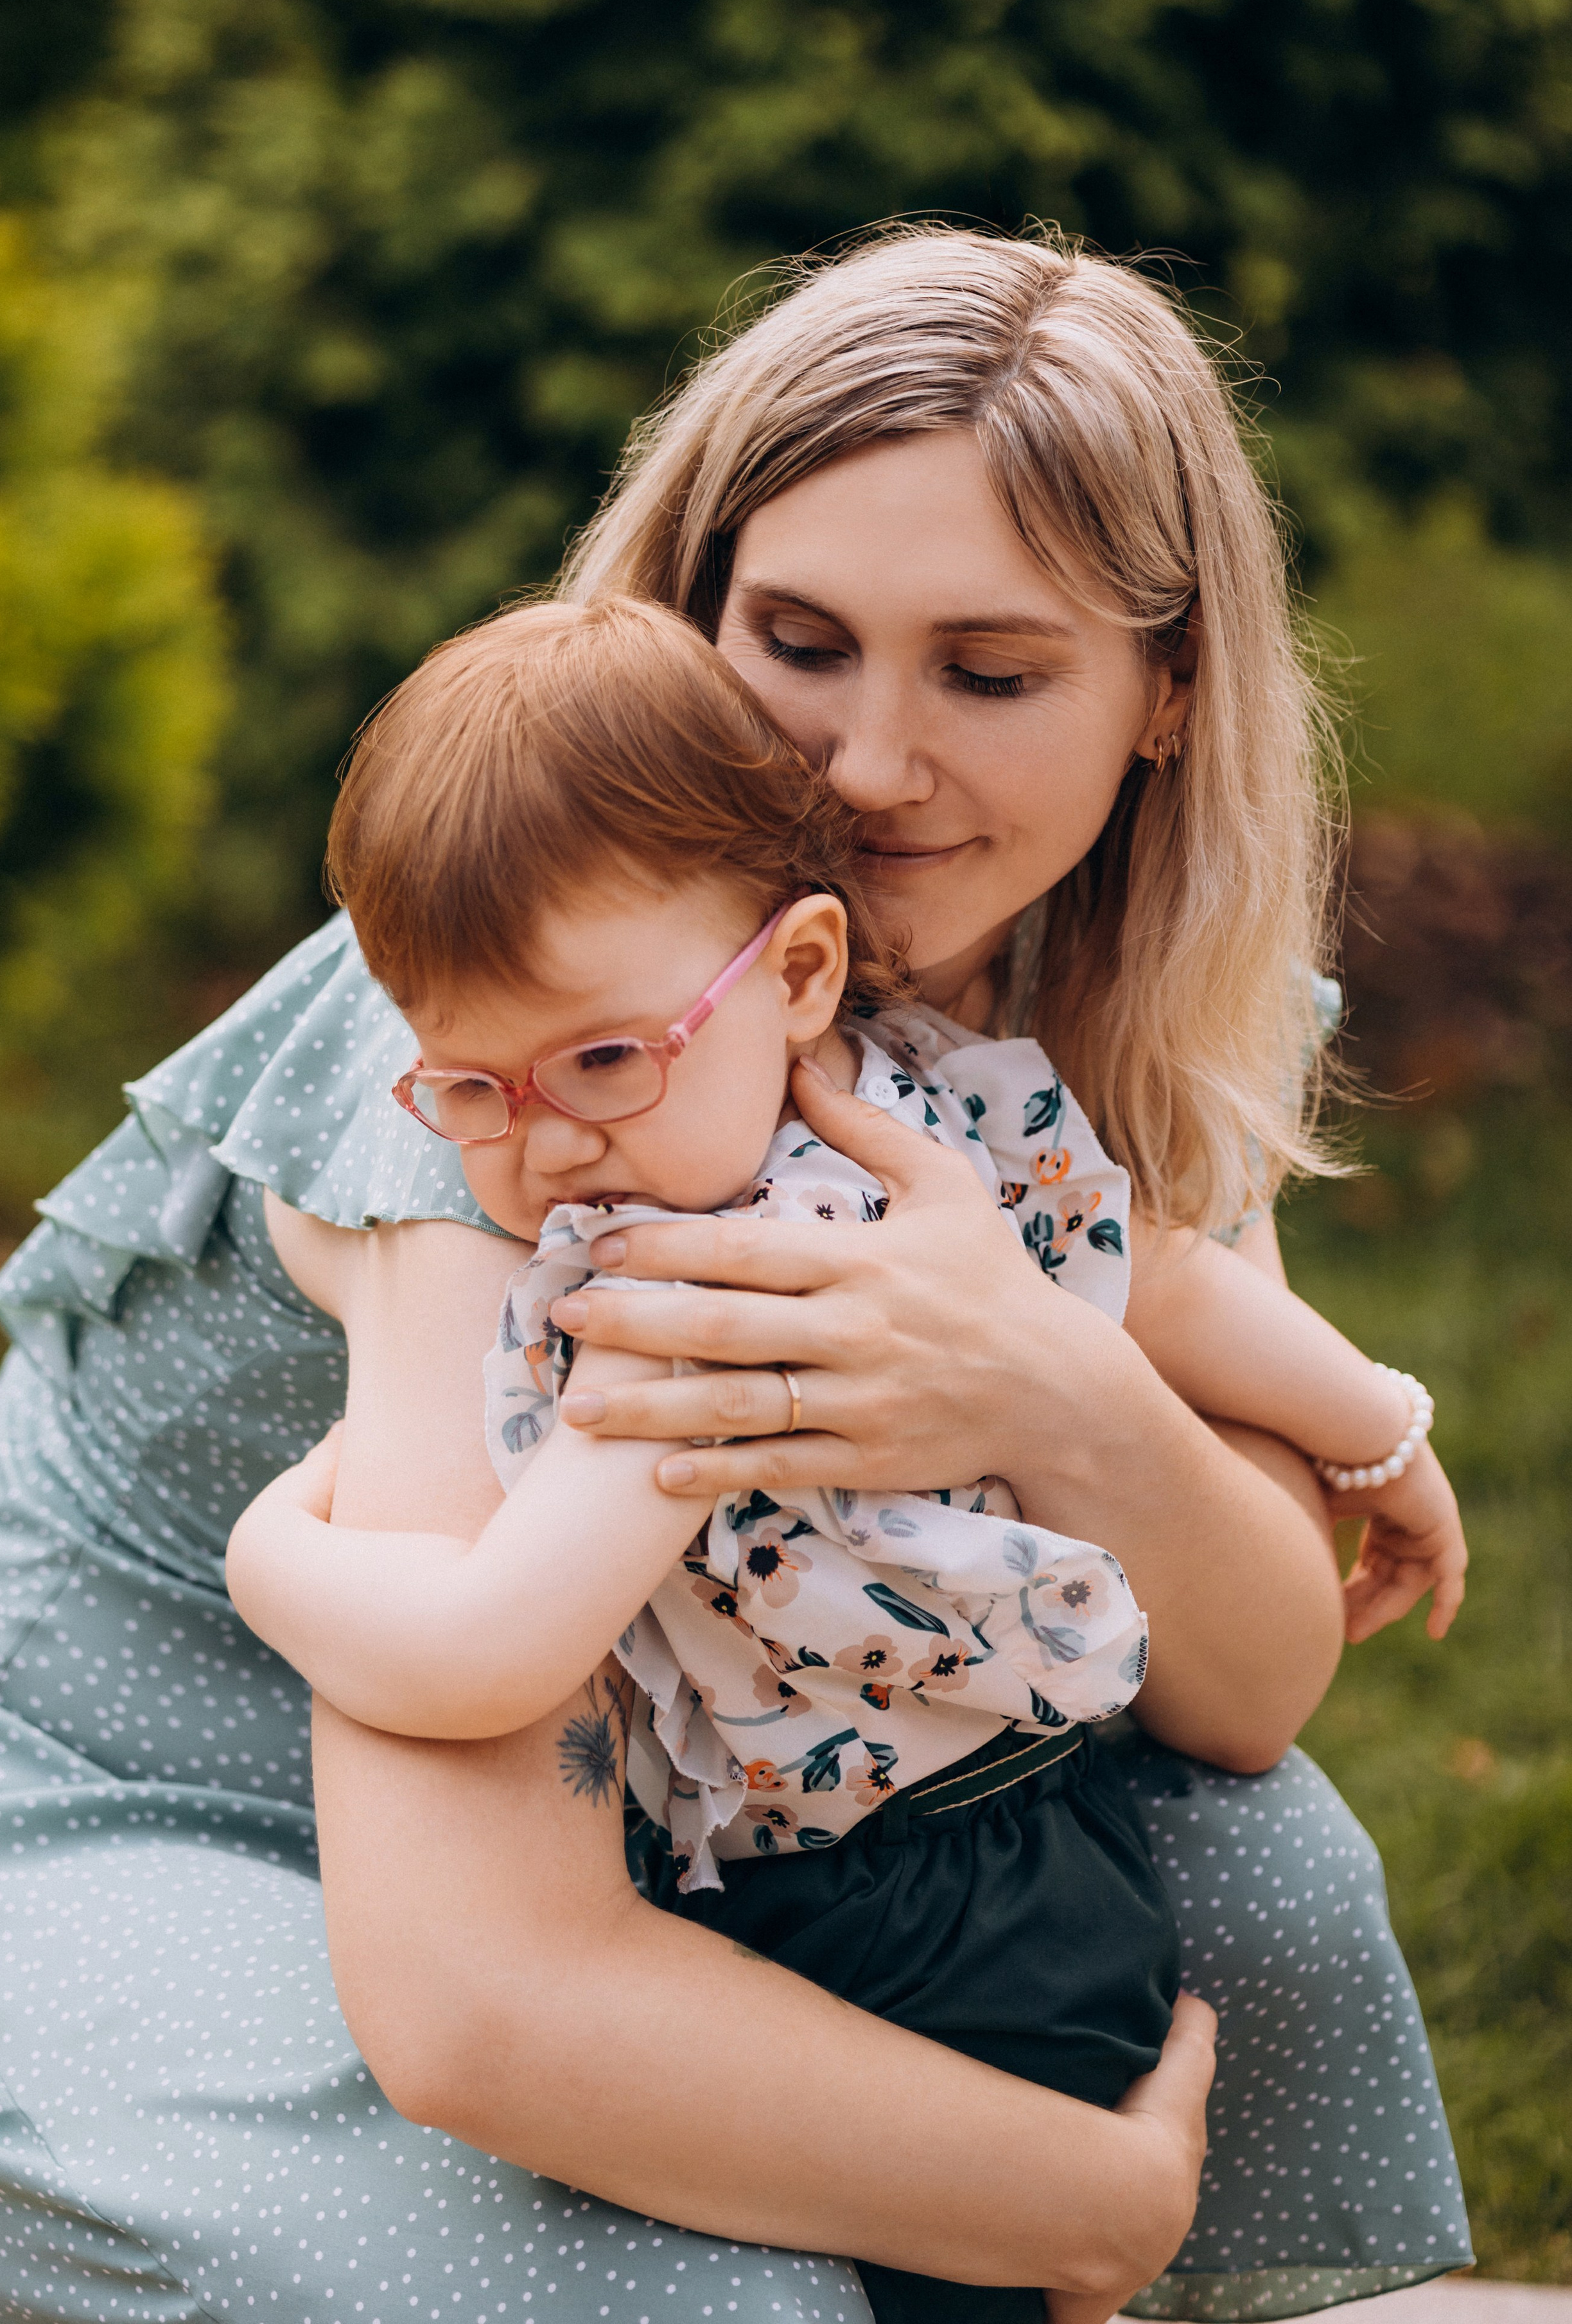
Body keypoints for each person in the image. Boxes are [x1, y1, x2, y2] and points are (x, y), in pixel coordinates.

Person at [0, 226, 1469, 2324]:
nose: (862, 768)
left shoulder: (1127, 1002)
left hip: (692, 1794)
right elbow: (482, 2001)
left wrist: (1058, 1386)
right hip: (134, 1798)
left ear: (1172, 688)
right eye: (799, 640)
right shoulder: (525, 1074)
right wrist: (1078, 2208)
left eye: (991, 674)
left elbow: (1252, 1685)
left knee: (1267, 1885)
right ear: (688, 611)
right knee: (724, 2309)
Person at [225, 594, 1463, 2324]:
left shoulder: (690, 1299)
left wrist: (272, 1551)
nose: (551, 1145)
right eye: (473, 1095)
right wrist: (1374, 1424)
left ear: (799, 966)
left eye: (599, 1059)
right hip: (1045, 1859)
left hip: (892, 1923)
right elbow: (1148, 1277)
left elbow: (482, 1650)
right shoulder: (923, 1104)